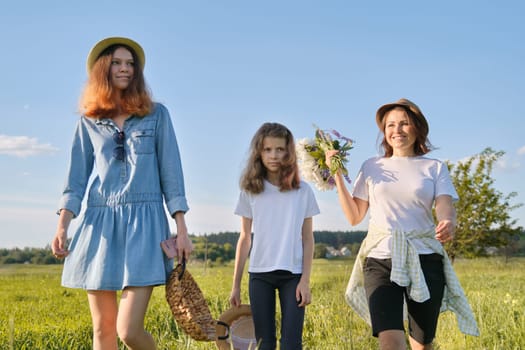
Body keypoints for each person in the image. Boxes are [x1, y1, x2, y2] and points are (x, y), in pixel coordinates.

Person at [51, 36, 193, 350]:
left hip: (145, 224)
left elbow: (172, 175)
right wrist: (62, 226)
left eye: (130, 64)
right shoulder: (88, 122)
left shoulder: (156, 115)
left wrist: (181, 229)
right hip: (99, 224)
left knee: (128, 330)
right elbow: (75, 181)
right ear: (103, 68)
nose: (125, 69)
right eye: (117, 62)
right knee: (102, 330)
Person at [325, 98, 479, 350]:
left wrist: (447, 220)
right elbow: (354, 216)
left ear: (417, 128)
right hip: (380, 260)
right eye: (390, 125)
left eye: (404, 124)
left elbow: (444, 203)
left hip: (424, 258)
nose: (397, 130)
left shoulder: (434, 167)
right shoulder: (372, 166)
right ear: (384, 132)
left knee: (422, 343)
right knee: (390, 341)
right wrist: (337, 177)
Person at [229, 122, 320, 350]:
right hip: (260, 275)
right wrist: (236, 285)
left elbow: (308, 239)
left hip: (293, 275)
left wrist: (305, 281)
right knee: (264, 343)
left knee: (291, 344)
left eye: (280, 149)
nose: (274, 156)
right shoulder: (250, 190)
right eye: (267, 150)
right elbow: (244, 238)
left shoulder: (303, 191)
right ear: (258, 153)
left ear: (288, 152)